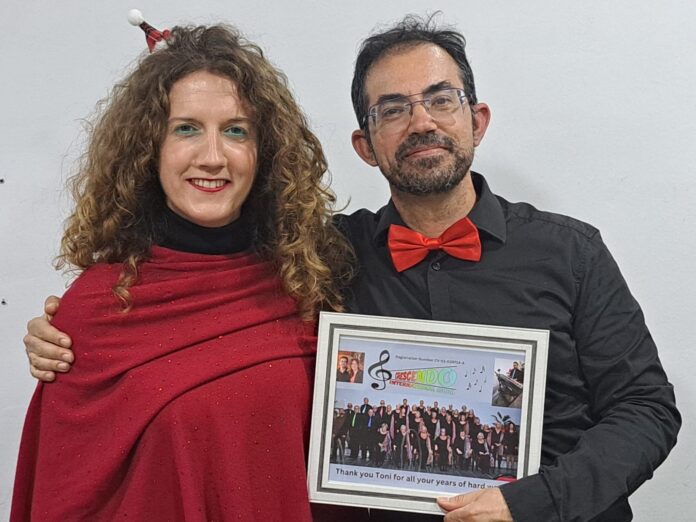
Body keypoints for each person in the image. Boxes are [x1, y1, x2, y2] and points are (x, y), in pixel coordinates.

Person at [23, 14, 681, 522]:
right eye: (393, 108)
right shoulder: (319, 259)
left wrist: (533, 501)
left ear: (476, 120)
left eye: (440, 99)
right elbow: (201, 281)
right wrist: (74, 329)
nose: (420, 121)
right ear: (365, 145)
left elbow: (647, 410)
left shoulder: (571, 253)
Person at [12, 24, 358, 522]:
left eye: (236, 130)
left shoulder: (309, 280)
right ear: (150, 149)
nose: (213, 156)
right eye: (186, 128)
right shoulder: (94, 310)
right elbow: (64, 495)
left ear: (264, 153)